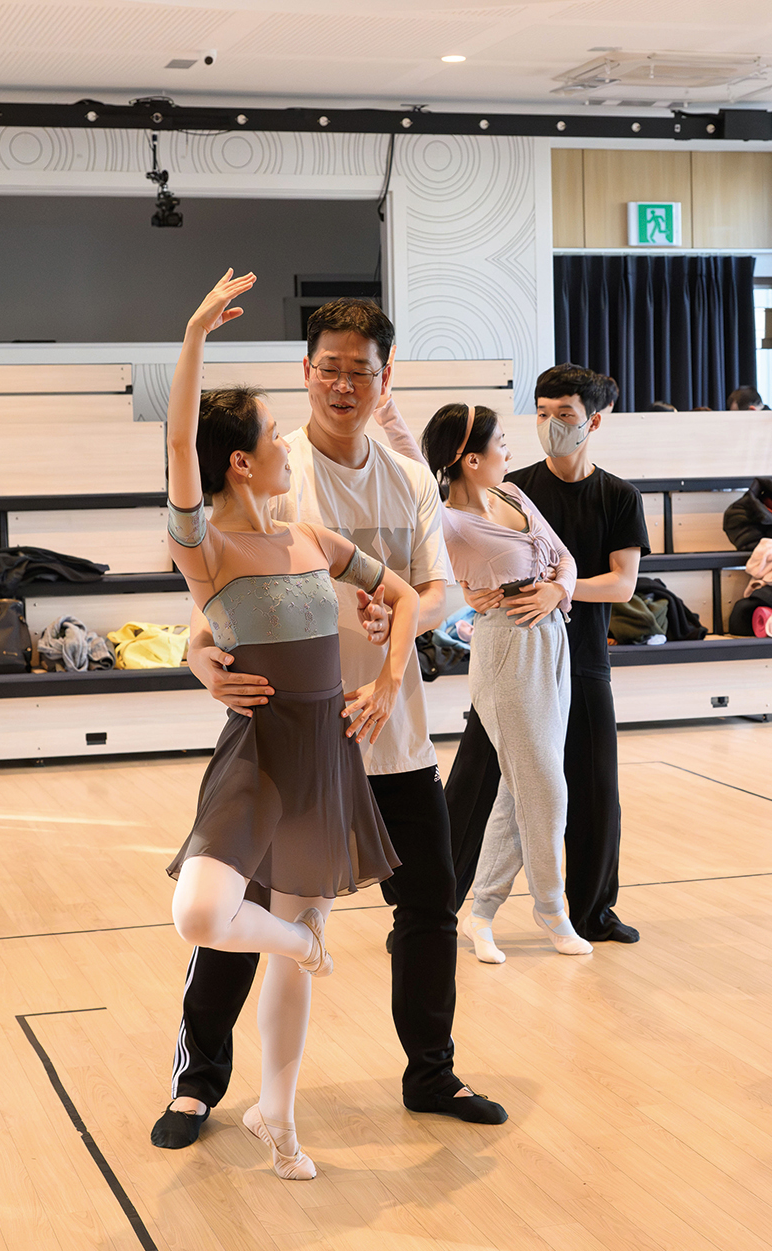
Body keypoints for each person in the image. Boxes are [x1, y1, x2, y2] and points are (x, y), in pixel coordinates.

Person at [156, 293, 510, 1153]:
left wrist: (398, 645)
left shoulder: (410, 477)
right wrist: (198, 655)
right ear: (306, 372)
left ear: (387, 378)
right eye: (329, 368)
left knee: (428, 905)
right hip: (290, 740)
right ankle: (200, 1083)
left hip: (390, 733)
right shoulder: (270, 472)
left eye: (361, 370)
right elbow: (222, 590)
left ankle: (430, 1072)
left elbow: (434, 590)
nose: (343, 384)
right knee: (238, 910)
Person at [429, 364, 647, 945]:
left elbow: (622, 584)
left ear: (593, 422)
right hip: (511, 655)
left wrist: (558, 589)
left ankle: (591, 912)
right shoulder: (512, 483)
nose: (550, 424)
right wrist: (482, 591)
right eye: (542, 413)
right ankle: (434, 910)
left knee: (593, 787)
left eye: (564, 415)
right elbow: (467, 552)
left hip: (580, 655)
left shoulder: (618, 496)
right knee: (477, 784)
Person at [421, 402, 583, 964]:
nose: (511, 452)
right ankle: (552, 909)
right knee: (547, 787)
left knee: (521, 788)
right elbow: (416, 465)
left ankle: (482, 913)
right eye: (501, 444)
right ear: (470, 459)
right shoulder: (450, 520)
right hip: (505, 648)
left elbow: (565, 560)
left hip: (553, 641)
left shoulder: (513, 494)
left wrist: (557, 590)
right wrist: (388, 410)